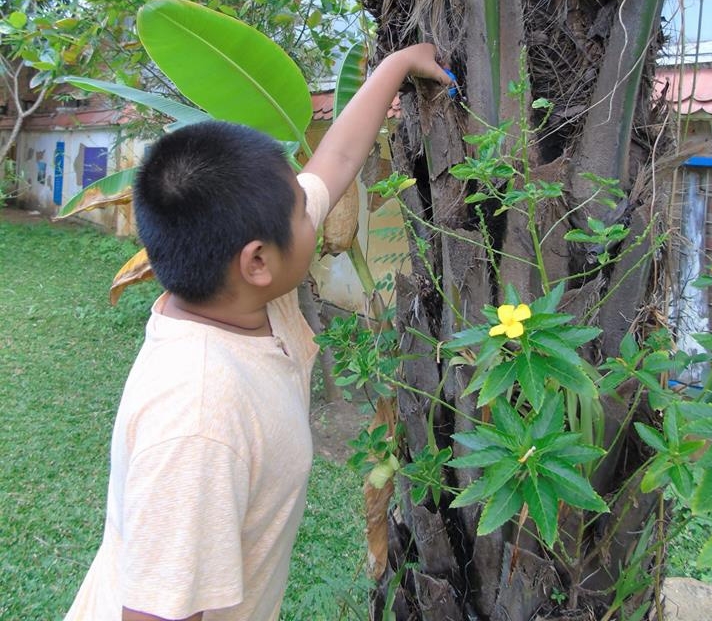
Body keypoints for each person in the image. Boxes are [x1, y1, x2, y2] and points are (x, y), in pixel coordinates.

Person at [63, 43, 452, 621]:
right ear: (257, 262)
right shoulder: (197, 421)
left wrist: (395, 68)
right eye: (300, 209)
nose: (312, 208)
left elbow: (336, 160)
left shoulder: (233, 293)